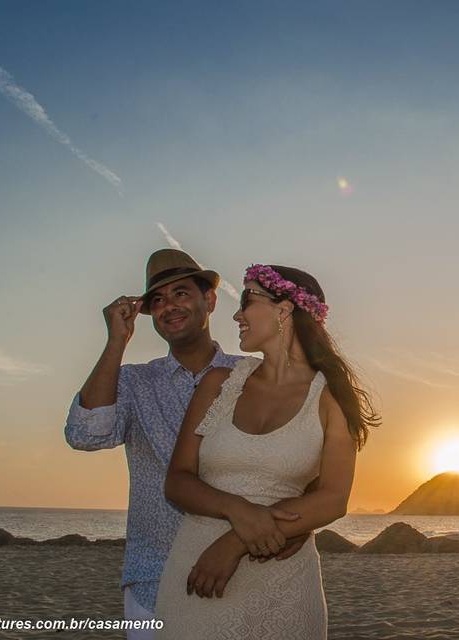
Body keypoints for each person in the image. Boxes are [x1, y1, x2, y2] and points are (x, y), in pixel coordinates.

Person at [64, 249, 309, 639]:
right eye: (157, 300)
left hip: (246, 570)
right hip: (154, 580)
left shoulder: (250, 375)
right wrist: (116, 342)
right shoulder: (132, 382)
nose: (169, 307)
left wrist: (300, 524)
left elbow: (299, 461)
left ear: (209, 301)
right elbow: (85, 434)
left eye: (181, 293)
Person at [155, 264, 379, 639]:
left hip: (282, 581)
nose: (236, 314)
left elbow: (333, 499)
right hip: (198, 572)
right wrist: (237, 510)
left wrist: (236, 541)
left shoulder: (331, 398)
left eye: (247, 301)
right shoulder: (217, 383)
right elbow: (177, 482)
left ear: (284, 309)